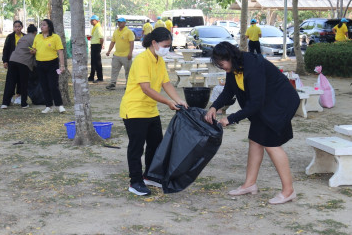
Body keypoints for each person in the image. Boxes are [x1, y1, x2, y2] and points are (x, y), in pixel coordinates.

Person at [204, 42, 299, 205]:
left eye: (221, 64)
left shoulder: (253, 66)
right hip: (265, 103)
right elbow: (228, 91)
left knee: (271, 144)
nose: (221, 68)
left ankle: (288, 191)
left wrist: (231, 118)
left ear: (230, 57)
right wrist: (214, 107)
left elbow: (255, 103)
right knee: (255, 139)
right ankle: (249, 184)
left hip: (280, 103)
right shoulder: (233, 68)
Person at [120, 27, 188, 196]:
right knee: (136, 147)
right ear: (154, 43)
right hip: (135, 110)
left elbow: (166, 83)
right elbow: (146, 88)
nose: (167, 49)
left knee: (156, 145)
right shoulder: (142, 60)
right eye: (165, 45)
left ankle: (149, 175)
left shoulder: (159, 60)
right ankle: (135, 182)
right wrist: (167, 102)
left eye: (169, 46)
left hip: (150, 110)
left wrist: (179, 100)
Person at [31, 19, 66, 114]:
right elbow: (34, 49)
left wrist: (62, 65)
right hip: (40, 64)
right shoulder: (37, 37)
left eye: (44, 25)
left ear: (49, 27)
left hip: (52, 64)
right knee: (44, 85)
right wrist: (33, 51)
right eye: (41, 25)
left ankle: (59, 105)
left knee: (53, 85)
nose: (42, 27)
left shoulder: (55, 37)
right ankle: (48, 106)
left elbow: (60, 51)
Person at [1, 24, 38, 109]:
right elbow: (36, 51)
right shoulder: (34, 38)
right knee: (23, 82)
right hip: (23, 62)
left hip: (13, 60)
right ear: (35, 32)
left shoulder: (22, 38)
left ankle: (5, 103)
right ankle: (23, 103)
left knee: (10, 82)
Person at [105, 17, 134, 90]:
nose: (119, 23)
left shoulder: (128, 32)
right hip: (117, 55)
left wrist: (130, 53)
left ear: (124, 23)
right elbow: (112, 42)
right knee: (114, 69)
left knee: (128, 71)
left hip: (126, 55)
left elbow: (131, 43)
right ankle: (112, 83)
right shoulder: (116, 31)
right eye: (118, 22)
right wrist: (109, 51)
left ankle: (128, 84)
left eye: (121, 22)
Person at [2, 20, 25, 104]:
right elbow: (6, 49)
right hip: (12, 61)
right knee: (11, 80)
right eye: (15, 26)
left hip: (23, 62)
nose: (17, 28)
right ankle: (10, 96)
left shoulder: (25, 36)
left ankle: (19, 95)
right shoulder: (10, 37)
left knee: (20, 79)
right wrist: (5, 61)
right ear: (13, 27)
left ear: (22, 27)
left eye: (19, 26)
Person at [87, 15, 104, 83]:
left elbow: (101, 38)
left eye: (92, 20)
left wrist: (101, 45)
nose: (91, 21)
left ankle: (100, 77)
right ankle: (91, 76)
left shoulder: (98, 28)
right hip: (94, 45)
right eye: (91, 20)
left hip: (97, 45)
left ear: (97, 21)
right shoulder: (95, 28)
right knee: (93, 62)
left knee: (97, 62)